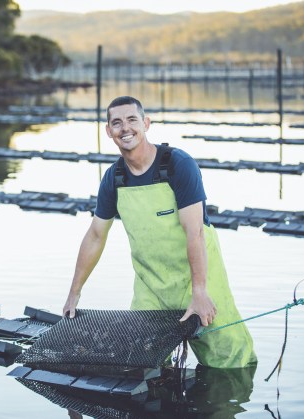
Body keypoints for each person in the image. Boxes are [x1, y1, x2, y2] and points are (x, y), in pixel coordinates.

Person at [63, 96, 256, 368]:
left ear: (146, 123)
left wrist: (199, 292)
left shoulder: (178, 164)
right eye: (116, 123)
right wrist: (75, 292)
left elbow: (195, 233)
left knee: (228, 361)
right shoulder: (113, 178)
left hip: (198, 279)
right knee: (142, 360)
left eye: (132, 120)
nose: (125, 128)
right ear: (108, 131)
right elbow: (96, 235)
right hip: (150, 285)